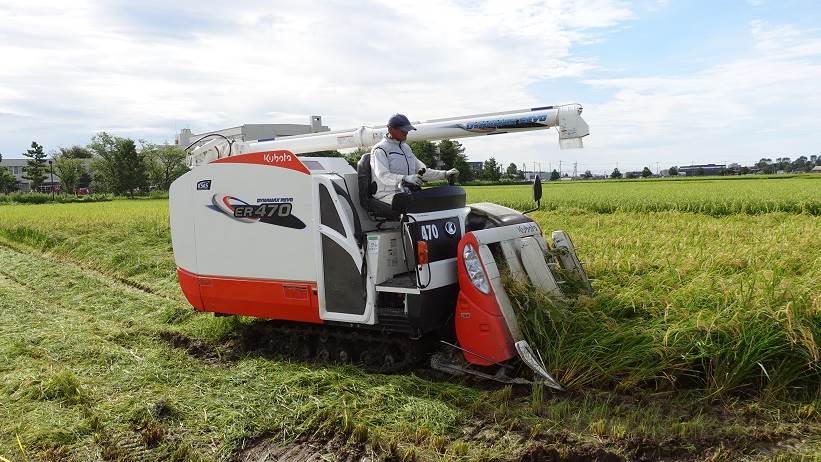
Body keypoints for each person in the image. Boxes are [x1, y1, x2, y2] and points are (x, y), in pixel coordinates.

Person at [370, 113, 458, 205]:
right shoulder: (380, 149)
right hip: (387, 195)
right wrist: (405, 178)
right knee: (415, 205)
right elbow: (383, 176)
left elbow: (422, 172)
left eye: (407, 130)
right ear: (390, 129)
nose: (406, 132)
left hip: (407, 193)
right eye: (403, 130)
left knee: (438, 201)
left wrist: (445, 174)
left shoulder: (406, 148)